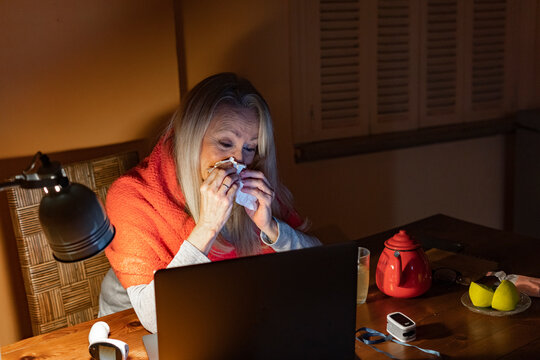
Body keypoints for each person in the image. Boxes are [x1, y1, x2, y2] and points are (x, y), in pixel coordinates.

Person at [98, 72, 321, 333]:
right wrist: (207, 228)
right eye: (225, 143)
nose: (240, 160)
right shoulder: (133, 196)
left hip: (218, 321)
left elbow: (320, 266)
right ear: (190, 138)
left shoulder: (255, 179)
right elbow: (154, 319)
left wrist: (271, 227)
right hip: (131, 332)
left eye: (250, 147)